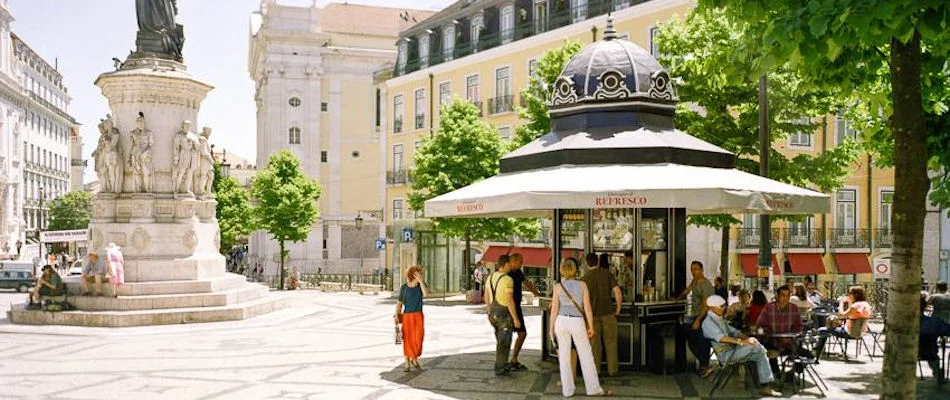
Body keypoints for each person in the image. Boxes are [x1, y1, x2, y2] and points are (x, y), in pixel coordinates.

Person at [549, 257, 612, 397]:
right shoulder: (582, 285)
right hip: (577, 321)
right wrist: (590, 326)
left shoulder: (558, 287)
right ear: (576, 270)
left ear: (562, 270)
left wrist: (551, 328)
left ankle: (568, 390)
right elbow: (588, 308)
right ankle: (593, 388)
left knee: (564, 357)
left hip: (561, 321)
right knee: (586, 355)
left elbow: (554, 310)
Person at [702, 295, 781, 397]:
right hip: (726, 355)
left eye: (724, 305)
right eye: (721, 306)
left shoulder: (718, 319)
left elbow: (733, 331)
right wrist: (742, 341)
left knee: (759, 354)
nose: (724, 308)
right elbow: (722, 338)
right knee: (754, 345)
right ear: (712, 307)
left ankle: (765, 386)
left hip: (733, 351)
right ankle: (767, 351)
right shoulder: (708, 322)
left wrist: (744, 337)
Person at [582, 252, 622, 377]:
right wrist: (618, 308)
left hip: (592, 316)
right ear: (598, 261)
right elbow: (618, 293)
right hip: (608, 313)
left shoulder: (584, 279)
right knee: (610, 342)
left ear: (586, 263)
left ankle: (596, 370)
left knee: (595, 344)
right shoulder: (607, 274)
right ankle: (613, 370)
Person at [676, 260, 714, 375]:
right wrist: (677, 299)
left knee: (702, 341)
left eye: (696, 269)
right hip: (695, 315)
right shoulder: (695, 281)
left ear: (702, 270)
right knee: (693, 339)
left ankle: (705, 365)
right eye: (692, 270)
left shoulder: (706, 285)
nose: (694, 272)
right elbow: (687, 290)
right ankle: (703, 364)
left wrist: (698, 320)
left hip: (704, 316)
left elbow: (705, 305)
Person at [485, 255, 521, 376]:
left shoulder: (490, 277)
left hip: (493, 313)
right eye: (509, 264)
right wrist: (515, 318)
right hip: (504, 314)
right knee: (504, 342)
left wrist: (488, 311)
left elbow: (486, 295)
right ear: (505, 264)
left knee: (500, 340)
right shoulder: (507, 280)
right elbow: (509, 300)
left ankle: (501, 365)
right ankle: (501, 368)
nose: (511, 266)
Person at [756, 285, 804, 374]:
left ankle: (792, 374)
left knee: (800, 353)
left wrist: (790, 337)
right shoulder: (769, 308)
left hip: (788, 342)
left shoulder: (794, 308)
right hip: (771, 340)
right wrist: (769, 333)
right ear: (777, 296)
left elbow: (799, 327)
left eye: (788, 295)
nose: (785, 298)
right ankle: (776, 374)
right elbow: (760, 326)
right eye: (783, 295)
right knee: (769, 351)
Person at [507, 253, 541, 371]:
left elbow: (526, 283)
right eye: (520, 261)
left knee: (522, 333)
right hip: (508, 307)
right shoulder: (506, 273)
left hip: (516, 306)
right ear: (514, 261)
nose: (522, 263)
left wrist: (537, 293)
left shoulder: (518, 272)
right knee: (508, 335)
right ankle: (506, 361)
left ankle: (513, 359)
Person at [816, 285, 873, 351]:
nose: (848, 295)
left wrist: (841, 302)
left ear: (856, 295)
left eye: (850, 293)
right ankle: (823, 350)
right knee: (831, 324)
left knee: (822, 330)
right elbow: (851, 313)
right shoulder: (865, 304)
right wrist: (850, 302)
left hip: (850, 333)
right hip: (861, 332)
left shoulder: (855, 306)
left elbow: (841, 315)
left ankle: (818, 351)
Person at [395, 265, 429, 372]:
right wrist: (396, 314)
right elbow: (399, 303)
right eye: (419, 273)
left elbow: (426, 294)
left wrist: (421, 281)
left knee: (418, 339)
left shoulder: (420, 286)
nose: (421, 275)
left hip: (418, 316)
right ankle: (407, 363)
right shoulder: (404, 288)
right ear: (413, 275)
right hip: (407, 317)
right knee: (408, 339)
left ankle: (414, 358)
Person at [920, 294, 950, 383]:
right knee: (930, 351)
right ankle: (938, 374)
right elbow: (947, 330)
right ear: (924, 307)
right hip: (928, 353)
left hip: (904, 352)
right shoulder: (933, 322)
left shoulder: (900, 322)